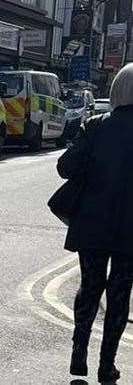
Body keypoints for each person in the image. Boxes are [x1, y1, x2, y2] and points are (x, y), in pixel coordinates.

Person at [58, 63, 133, 382]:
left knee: (90, 285)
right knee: (119, 292)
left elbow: (65, 168)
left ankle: (78, 352)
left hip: (91, 221)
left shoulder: (95, 125)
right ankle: (107, 364)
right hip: (130, 227)